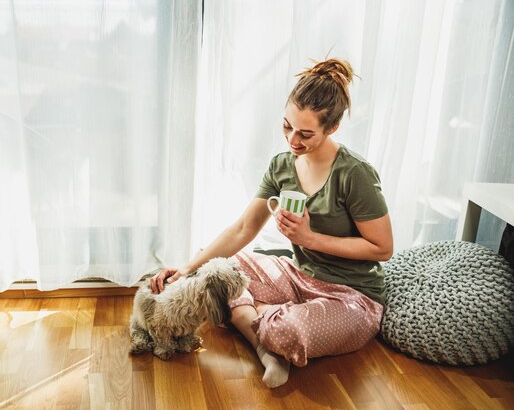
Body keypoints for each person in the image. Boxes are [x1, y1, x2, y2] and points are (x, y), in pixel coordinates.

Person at [150, 58, 393, 388]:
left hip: (352, 297)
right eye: (287, 126)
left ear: (332, 128)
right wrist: (187, 268)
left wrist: (310, 239)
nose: (293, 140)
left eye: (306, 133)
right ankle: (269, 349)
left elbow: (382, 248)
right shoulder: (282, 166)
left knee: (283, 329)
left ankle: (268, 325)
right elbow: (243, 229)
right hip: (298, 275)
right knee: (218, 273)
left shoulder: (355, 174)